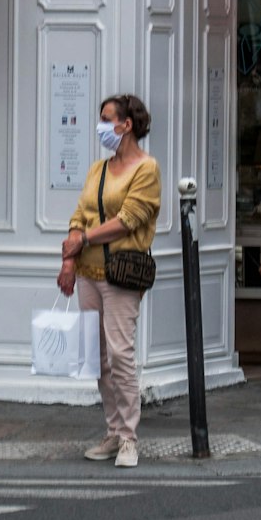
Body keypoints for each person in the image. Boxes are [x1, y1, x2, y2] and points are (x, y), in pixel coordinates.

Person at [58, 92, 161, 469]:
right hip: (87, 272)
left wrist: (83, 238)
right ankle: (113, 431)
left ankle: (130, 438)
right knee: (99, 357)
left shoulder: (146, 169)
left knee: (121, 353)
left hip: (121, 273)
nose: (101, 126)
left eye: (107, 119)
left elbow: (130, 219)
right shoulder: (98, 170)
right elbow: (80, 212)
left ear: (126, 124)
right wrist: (70, 258)